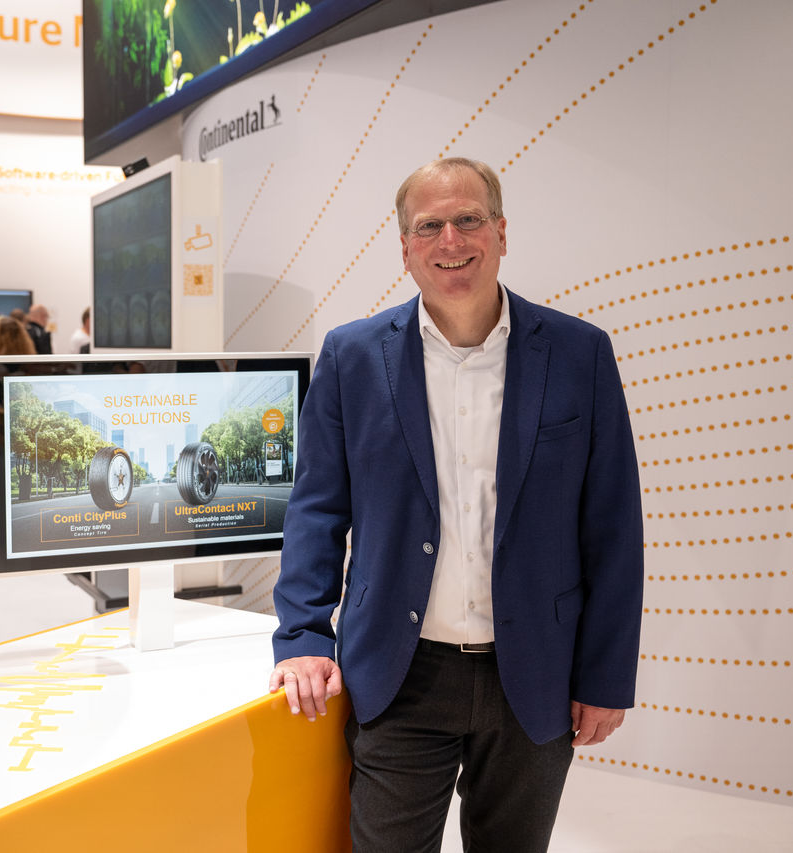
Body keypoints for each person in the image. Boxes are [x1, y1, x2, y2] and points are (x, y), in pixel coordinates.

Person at [269, 157, 643, 852]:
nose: (451, 240)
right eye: (430, 225)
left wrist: (605, 673)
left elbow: (614, 529)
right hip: (401, 670)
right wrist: (302, 636)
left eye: (469, 219)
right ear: (406, 248)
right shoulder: (352, 357)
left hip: (534, 672)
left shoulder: (579, 354)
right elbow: (316, 510)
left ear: (502, 232)